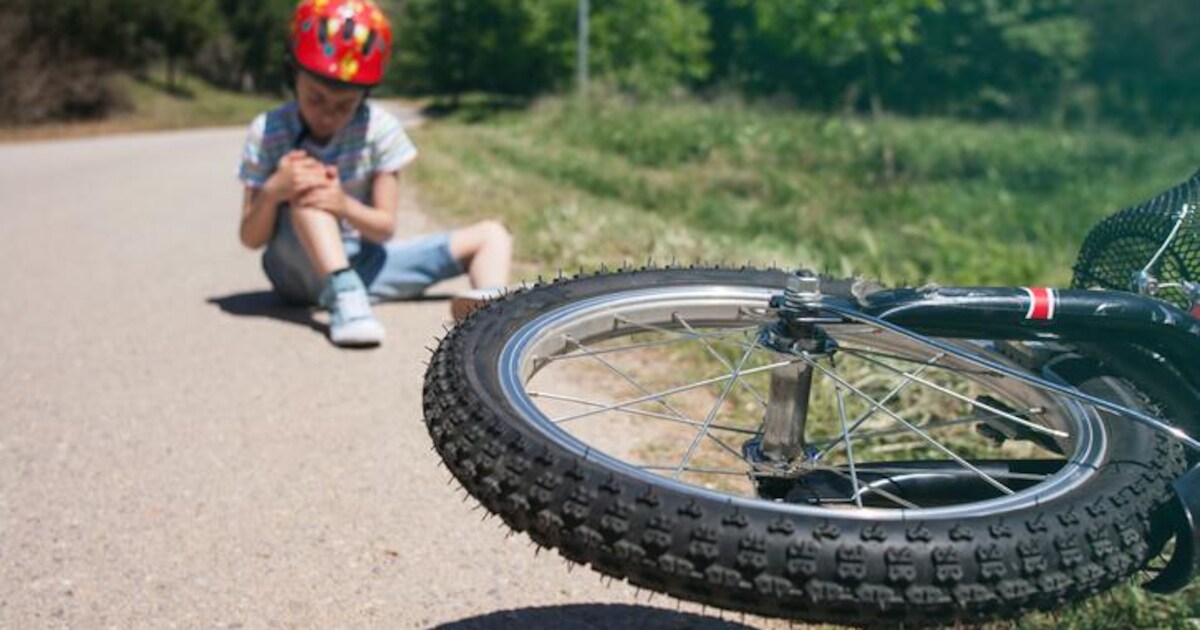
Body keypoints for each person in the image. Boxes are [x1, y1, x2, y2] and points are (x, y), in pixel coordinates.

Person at [237, 0, 512, 347]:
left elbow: (383, 228)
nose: (327, 115)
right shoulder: (268, 130)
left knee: (493, 234)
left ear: (364, 96)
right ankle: (345, 298)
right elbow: (250, 238)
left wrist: (343, 205)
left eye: (344, 106)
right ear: (293, 76)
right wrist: (275, 190)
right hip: (294, 270)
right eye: (315, 98)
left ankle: (492, 319)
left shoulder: (379, 129)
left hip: (365, 265)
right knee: (310, 187)